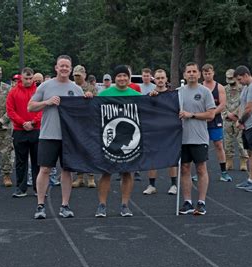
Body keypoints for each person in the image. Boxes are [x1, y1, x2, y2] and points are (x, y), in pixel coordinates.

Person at [28, 55, 90, 219]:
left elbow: (83, 112)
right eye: (61, 66)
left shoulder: (76, 88)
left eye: (67, 66)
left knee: (67, 170)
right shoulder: (45, 86)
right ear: (56, 68)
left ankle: (65, 205)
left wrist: (88, 100)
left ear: (70, 69)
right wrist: (46, 102)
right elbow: (30, 107)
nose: (64, 69)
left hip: (68, 137)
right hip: (48, 134)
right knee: (45, 169)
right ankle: (40, 205)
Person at [95, 65, 141, 218]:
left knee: (127, 172)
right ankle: (102, 205)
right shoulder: (104, 94)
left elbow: (149, 111)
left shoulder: (136, 95)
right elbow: (92, 111)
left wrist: (154, 98)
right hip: (108, 143)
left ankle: (125, 205)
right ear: (114, 78)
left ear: (129, 77)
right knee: (106, 172)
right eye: (119, 76)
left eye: (125, 76)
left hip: (132, 145)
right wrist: (88, 97)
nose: (122, 78)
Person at [178, 62, 216, 215]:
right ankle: (187, 202)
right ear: (185, 75)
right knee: (185, 169)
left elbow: (211, 114)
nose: (192, 74)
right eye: (189, 71)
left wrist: (191, 115)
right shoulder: (178, 92)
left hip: (199, 138)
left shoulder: (205, 92)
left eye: (194, 71)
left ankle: (201, 202)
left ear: (199, 74)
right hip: (182, 138)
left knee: (201, 169)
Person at [7, 67, 42, 197]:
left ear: (33, 78)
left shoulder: (38, 92)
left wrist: (33, 122)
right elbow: (10, 110)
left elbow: (42, 109)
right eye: (25, 78)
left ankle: (38, 188)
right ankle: (21, 188)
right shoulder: (13, 92)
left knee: (37, 160)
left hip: (36, 129)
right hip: (19, 130)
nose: (28, 81)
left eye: (30, 78)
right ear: (21, 77)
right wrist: (23, 123)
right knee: (20, 161)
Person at [144, 69, 178, 195]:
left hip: (169, 132)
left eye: (162, 78)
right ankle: (151, 185)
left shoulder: (173, 95)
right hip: (154, 132)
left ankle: (174, 184)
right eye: (158, 78)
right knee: (152, 158)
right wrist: (150, 99)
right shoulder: (150, 95)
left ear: (166, 79)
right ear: (154, 79)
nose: (160, 80)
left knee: (171, 158)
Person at [201, 64, 232, 182]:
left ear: (213, 73)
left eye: (209, 73)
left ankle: (224, 172)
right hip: (202, 121)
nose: (207, 75)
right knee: (202, 146)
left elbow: (223, 104)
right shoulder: (200, 87)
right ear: (202, 74)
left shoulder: (219, 87)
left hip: (215, 120)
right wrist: (204, 115)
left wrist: (212, 114)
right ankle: (200, 170)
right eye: (205, 73)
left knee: (219, 145)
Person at [71, 65, 97, 189]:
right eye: (75, 76)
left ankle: (91, 177)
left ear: (84, 75)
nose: (77, 78)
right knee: (77, 151)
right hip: (74, 123)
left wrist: (90, 97)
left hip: (88, 123)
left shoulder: (92, 88)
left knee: (90, 150)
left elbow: (97, 105)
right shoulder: (70, 87)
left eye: (79, 76)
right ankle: (79, 177)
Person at [222, 69, 248, 171]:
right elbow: (221, 103)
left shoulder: (243, 89)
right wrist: (227, 114)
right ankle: (229, 161)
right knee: (227, 142)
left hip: (239, 119)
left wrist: (236, 114)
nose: (230, 81)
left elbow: (244, 104)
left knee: (241, 141)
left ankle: (243, 161)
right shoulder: (224, 89)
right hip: (227, 119)